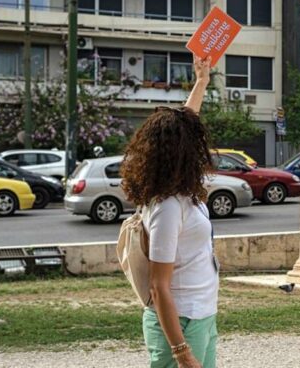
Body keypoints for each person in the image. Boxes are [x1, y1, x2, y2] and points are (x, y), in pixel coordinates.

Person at [121, 55, 217, 368]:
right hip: (182, 323)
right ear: (184, 153)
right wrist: (181, 352)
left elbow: (185, 121)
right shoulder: (168, 207)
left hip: (200, 314)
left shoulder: (180, 192)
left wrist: (201, 81)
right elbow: (158, 287)